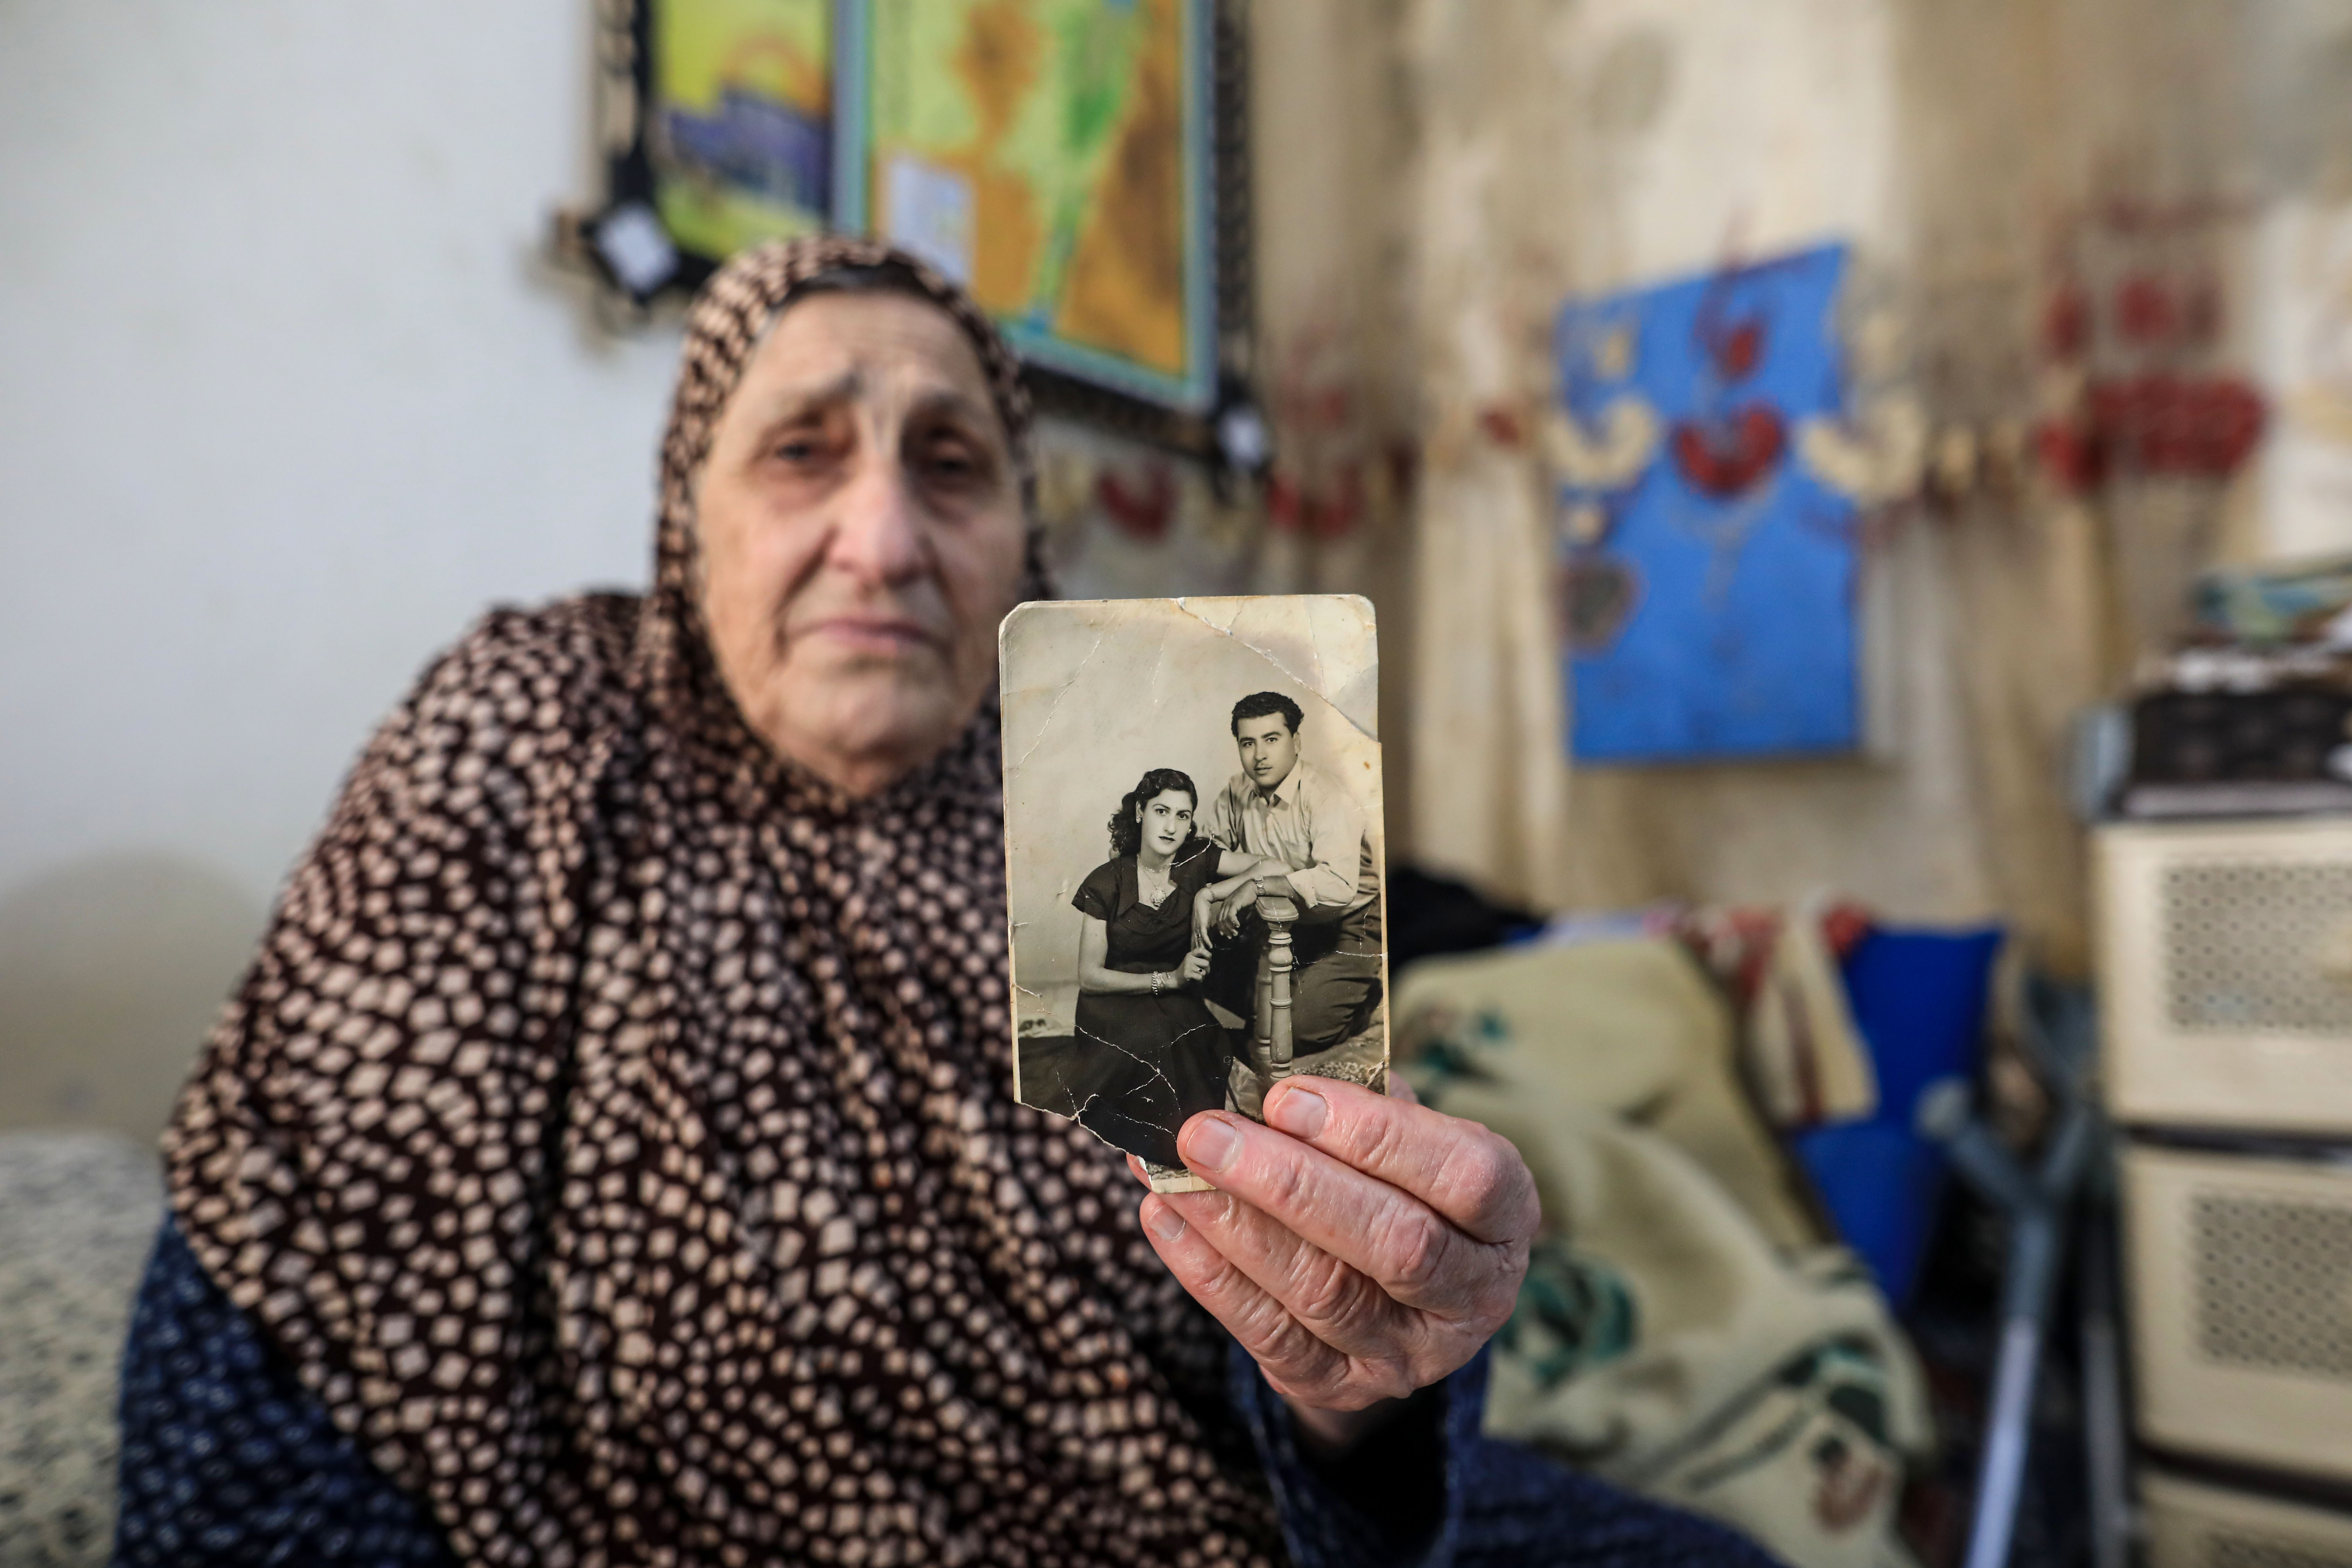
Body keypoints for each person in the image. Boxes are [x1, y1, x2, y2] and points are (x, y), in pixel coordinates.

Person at [111, 236, 1774, 1568]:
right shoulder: (533, 734)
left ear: (1021, 549)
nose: (884, 534)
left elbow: (1292, 1408)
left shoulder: (1105, 786)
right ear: (689, 514)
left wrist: (1360, 1392)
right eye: (803, 454)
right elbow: (282, 1310)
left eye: (954, 463)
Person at [1067, 769, 1272, 1172]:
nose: (1172, 825)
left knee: (1202, 1042)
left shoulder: (1197, 860)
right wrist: (1170, 980)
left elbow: (1274, 863)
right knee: (1153, 1043)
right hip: (1114, 999)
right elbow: (1090, 976)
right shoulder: (1106, 882)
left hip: (1179, 997)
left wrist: (1210, 895)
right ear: (1141, 811)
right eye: (1162, 811)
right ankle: (1160, 1153)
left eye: (1183, 815)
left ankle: (1197, 1146)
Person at [1200, 692, 1386, 1062]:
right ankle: (1300, 994)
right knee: (1186, 968)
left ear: (1296, 742)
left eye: (1272, 739)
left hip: (1348, 925)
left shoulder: (1327, 796)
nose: (1260, 755)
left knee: (1289, 1033)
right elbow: (1207, 854)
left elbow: (1337, 888)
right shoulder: (1237, 792)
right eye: (1248, 743)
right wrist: (1203, 895)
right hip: (1280, 924)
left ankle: (1361, 1000)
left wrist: (1256, 884)